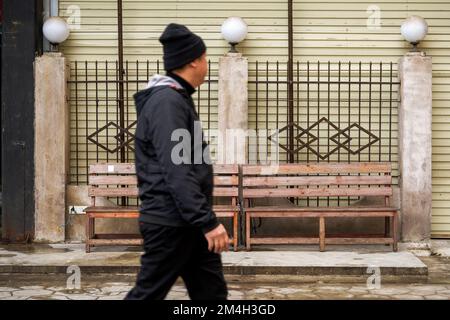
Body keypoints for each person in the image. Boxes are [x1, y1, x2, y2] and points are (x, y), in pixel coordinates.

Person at [125, 23, 229, 300]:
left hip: (187, 222)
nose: (208, 65)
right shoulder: (167, 102)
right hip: (171, 223)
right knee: (146, 295)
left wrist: (201, 220)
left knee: (212, 294)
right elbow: (177, 170)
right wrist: (207, 221)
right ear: (194, 60)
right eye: (206, 58)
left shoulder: (176, 99)